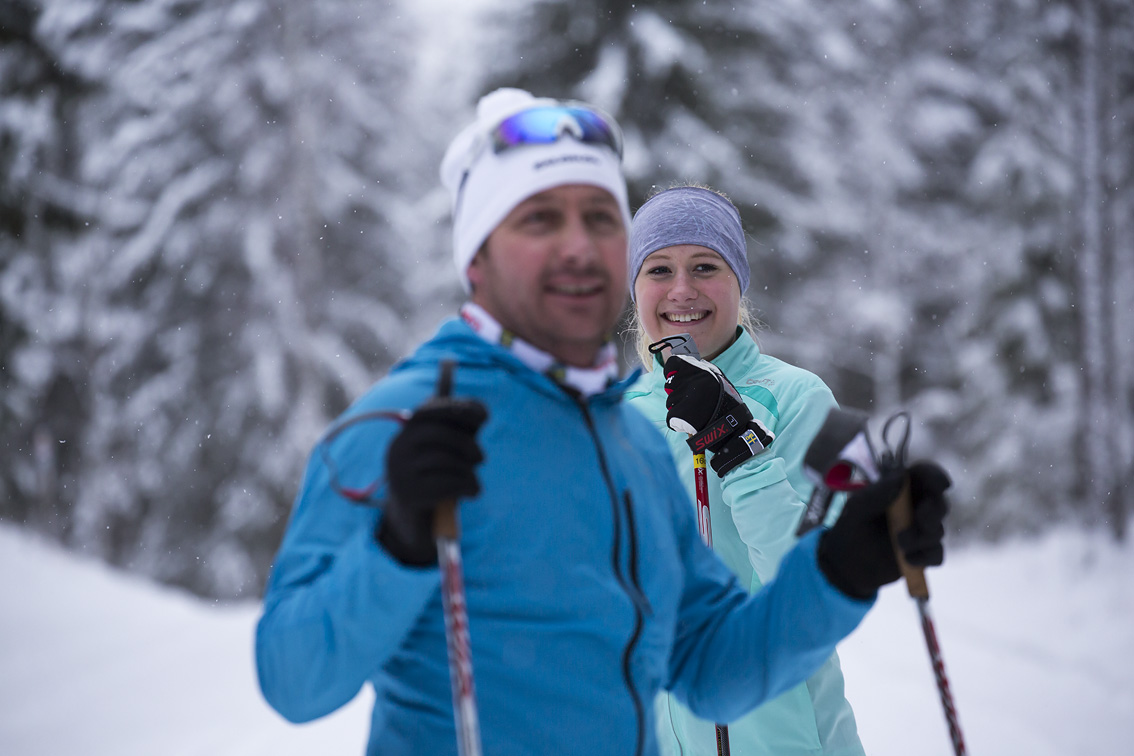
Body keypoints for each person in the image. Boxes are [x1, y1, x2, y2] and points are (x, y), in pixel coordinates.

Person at [254, 88, 952, 756]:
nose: (579, 247)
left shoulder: (624, 445)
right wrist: (394, 546)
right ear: (478, 257)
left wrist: (836, 570)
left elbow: (710, 667)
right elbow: (294, 680)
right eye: (539, 219)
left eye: (599, 219)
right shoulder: (402, 424)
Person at [624, 184, 870, 756]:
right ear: (635, 289)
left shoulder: (800, 399)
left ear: (738, 281)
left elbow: (812, 588)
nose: (681, 290)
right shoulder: (614, 417)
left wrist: (738, 448)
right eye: (658, 269)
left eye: (704, 266)